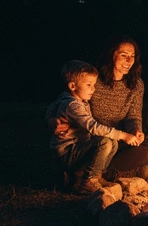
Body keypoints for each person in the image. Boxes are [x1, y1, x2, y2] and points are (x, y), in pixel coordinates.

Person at [48, 34, 148, 182]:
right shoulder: (93, 80)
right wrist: (51, 121)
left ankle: (102, 171)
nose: (129, 61)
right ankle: (115, 172)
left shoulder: (136, 84)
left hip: (118, 139)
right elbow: (62, 101)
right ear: (111, 55)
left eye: (132, 56)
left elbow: (133, 116)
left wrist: (135, 130)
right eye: (123, 55)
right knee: (104, 145)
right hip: (92, 140)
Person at [47, 60, 140, 195]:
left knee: (112, 142)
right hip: (66, 153)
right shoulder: (73, 105)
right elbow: (92, 126)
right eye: (89, 85)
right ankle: (87, 182)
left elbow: (52, 106)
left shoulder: (75, 100)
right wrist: (122, 135)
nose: (93, 89)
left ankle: (97, 176)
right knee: (105, 141)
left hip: (78, 147)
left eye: (94, 84)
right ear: (72, 86)